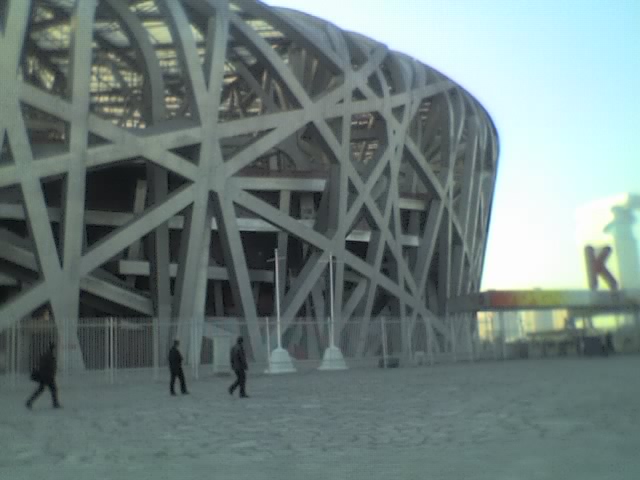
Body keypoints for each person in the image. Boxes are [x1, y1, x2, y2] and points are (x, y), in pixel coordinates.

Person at [26, 342, 60, 409]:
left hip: (46, 376)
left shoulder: (47, 355)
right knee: (53, 389)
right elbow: (46, 366)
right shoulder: (49, 356)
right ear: (52, 349)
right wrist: (50, 373)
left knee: (42, 390)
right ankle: (55, 404)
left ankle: (29, 402)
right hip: (47, 377)